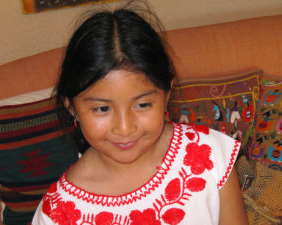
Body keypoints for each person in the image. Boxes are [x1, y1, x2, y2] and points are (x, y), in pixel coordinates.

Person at [32, 2, 248, 224]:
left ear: (166, 95)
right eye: (102, 109)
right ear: (71, 107)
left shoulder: (207, 154)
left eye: (143, 105)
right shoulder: (58, 212)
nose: (125, 128)